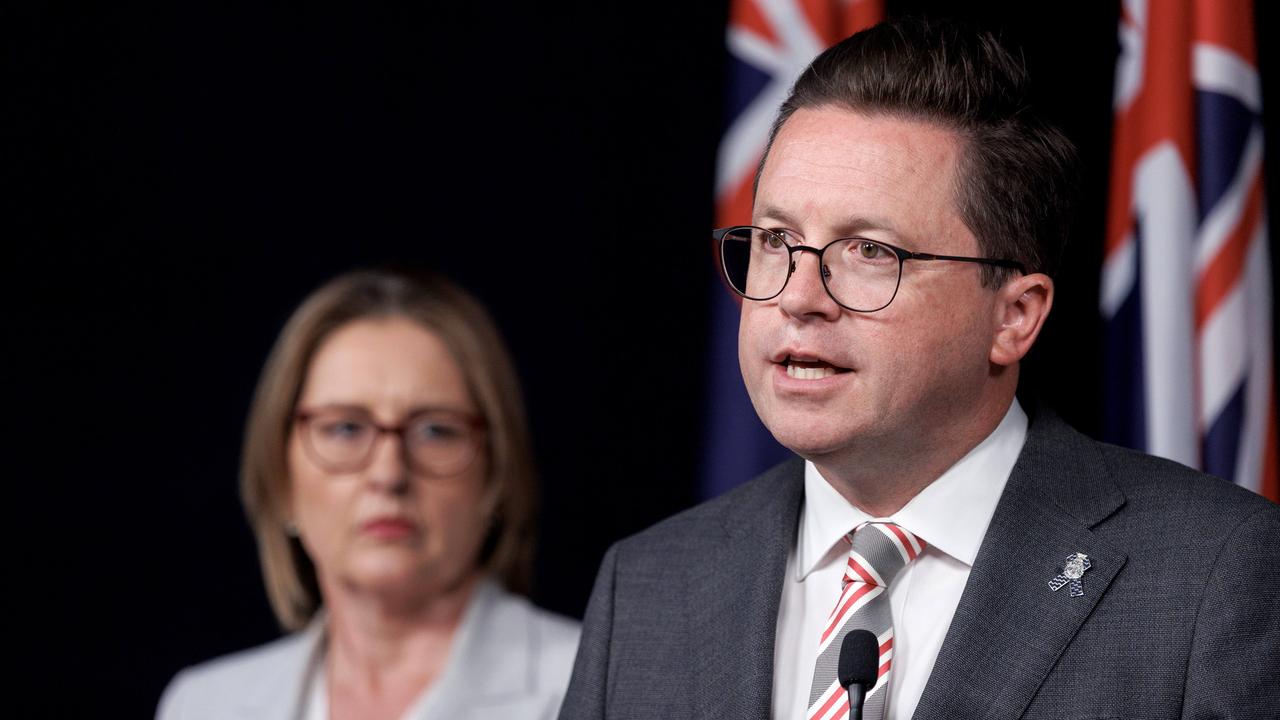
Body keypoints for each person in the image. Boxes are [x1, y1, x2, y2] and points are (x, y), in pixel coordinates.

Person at [560, 17, 1279, 720]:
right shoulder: (648, 585)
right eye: (777, 240)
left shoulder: (1212, 576)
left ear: (1014, 316)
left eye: (871, 251)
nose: (799, 299)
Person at [159, 268, 580, 720]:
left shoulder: (592, 684)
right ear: (281, 479)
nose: (388, 473)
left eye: (435, 430)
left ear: (496, 474)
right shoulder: (201, 704)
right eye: (344, 428)